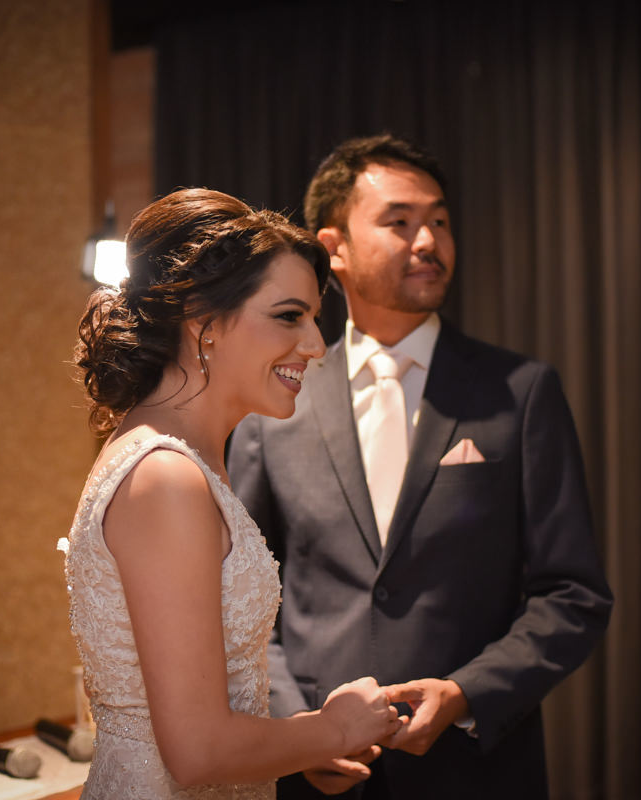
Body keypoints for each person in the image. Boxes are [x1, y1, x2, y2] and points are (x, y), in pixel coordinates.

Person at [227, 134, 613, 798]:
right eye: (399, 222)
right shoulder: (274, 400)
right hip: (316, 774)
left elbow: (574, 595)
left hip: (476, 770)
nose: (428, 241)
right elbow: (239, 594)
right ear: (333, 248)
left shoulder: (519, 392)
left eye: (439, 220)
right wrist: (295, 726)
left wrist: (467, 693)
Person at [62, 188, 404, 799]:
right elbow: (195, 753)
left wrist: (300, 743)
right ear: (203, 322)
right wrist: (331, 727)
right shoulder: (166, 476)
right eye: (288, 316)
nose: (315, 346)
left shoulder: (175, 457)